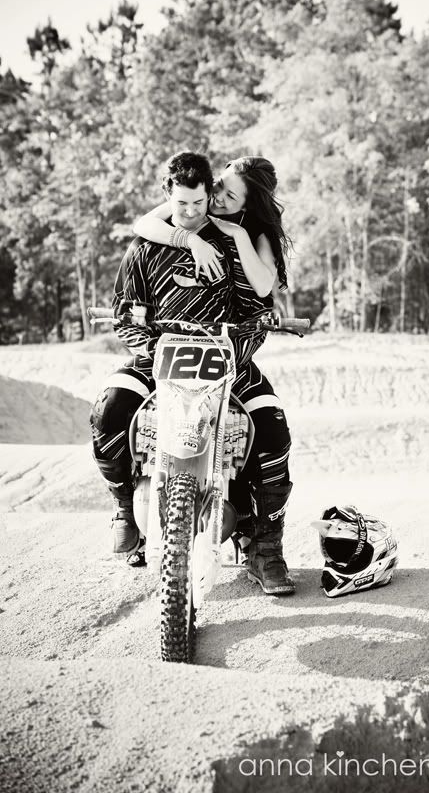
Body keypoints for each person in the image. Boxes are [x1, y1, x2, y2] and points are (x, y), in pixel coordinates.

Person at [90, 152, 294, 595]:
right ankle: (125, 506)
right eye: (181, 204)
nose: (192, 211)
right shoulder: (146, 245)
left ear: (209, 197)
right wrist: (155, 346)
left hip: (228, 362)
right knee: (109, 410)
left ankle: (266, 549)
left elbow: (256, 310)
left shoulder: (235, 242)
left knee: (273, 431)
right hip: (159, 358)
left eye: (201, 202)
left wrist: (234, 352)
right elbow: (125, 316)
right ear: (169, 196)